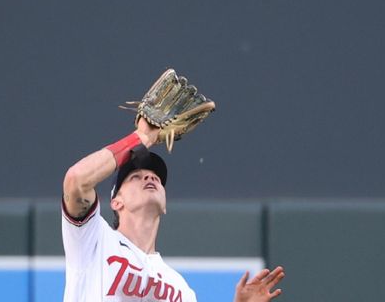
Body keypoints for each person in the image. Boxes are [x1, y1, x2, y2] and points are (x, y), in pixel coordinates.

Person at [62, 116, 285, 301]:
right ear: (116, 202)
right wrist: (141, 138)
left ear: (165, 206)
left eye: (156, 177)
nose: (149, 176)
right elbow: (76, 180)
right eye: (135, 177)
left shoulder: (179, 287)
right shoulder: (94, 240)